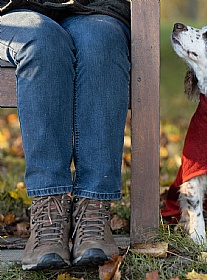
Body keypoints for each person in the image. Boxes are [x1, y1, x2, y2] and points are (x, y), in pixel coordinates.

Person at [0, 0, 131, 271]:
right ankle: (49, 215)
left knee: (102, 42)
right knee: (43, 40)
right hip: (16, 12)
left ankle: (94, 211)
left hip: (95, 8)